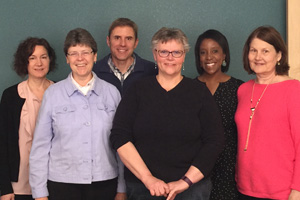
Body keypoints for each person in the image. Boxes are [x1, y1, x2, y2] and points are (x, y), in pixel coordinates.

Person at [110, 27, 225, 200]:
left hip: (192, 189)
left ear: (184, 55)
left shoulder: (199, 93)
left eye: (176, 52)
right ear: (155, 55)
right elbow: (120, 136)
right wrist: (148, 179)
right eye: (164, 52)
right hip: (143, 188)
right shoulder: (137, 90)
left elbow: (215, 141)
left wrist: (185, 181)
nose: (170, 58)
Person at [29, 28, 126, 200]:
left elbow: (121, 146)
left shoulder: (112, 93)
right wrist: (39, 193)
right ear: (67, 59)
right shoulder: (52, 94)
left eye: (85, 52)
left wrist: (122, 188)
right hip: (62, 185)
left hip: (105, 183)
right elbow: (40, 147)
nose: (80, 59)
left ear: (95, 56)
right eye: (73, 53)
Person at [235, 26, 300, 200]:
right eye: (253, 50)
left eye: (265, 51)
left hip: (281, 191)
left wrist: (298, 189)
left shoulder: (293, 90)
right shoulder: (243, 90)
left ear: (278, 55)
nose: (258, 57)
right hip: (244, 188)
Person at [0, 37, 56, 200]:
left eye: (43, 57)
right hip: (19, 185)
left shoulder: (61, 92)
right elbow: (2, 143)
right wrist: (4, 188)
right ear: (24, 62)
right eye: (32, 58)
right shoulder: (11, 96)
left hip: (55, 182)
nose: (39, 63)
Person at [194, 29, 243, 200]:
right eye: (203, 52)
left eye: (215, 51)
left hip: (229, 166)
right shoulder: (189, 88)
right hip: (195, 166)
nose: (209, 57)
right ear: (198, 58)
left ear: (224, 55)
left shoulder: (239, 89)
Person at [93, 18, 157, 96]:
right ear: (108, 41)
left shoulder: (152, 71)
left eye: (128, 38)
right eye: (117, 38)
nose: (123, 44)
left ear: (136, 43)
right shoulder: (93, 72)